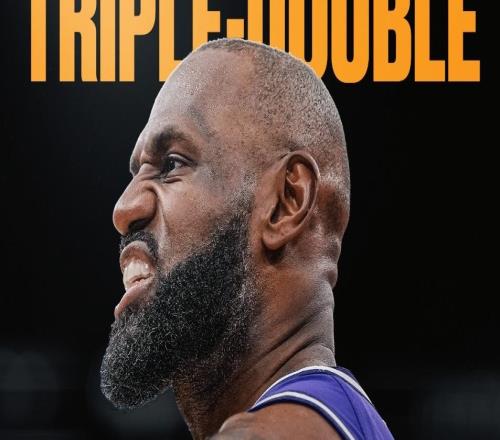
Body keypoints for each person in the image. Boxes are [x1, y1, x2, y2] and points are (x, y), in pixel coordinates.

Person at [100, 38, 394, 440]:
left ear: (286, 202)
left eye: (171, 164)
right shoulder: (343, 420)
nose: (124, 209)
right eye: (136, 173)